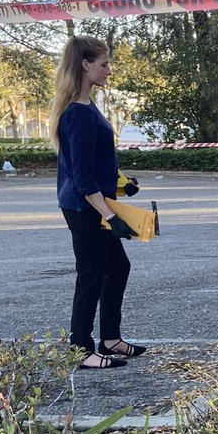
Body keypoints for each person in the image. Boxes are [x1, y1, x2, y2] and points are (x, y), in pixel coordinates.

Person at [48, 35, 145, 370]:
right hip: (83, 207)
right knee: (90, 274)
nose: (108, 70)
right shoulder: (77, 114)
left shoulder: (89, 108)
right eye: (103, 64)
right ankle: (81, 349)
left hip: (95, 203)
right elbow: (82, 177)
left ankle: (110, 339)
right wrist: (109, 215)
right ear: (85, 65)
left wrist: (121, 186)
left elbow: (96, 166)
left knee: (118, 268)